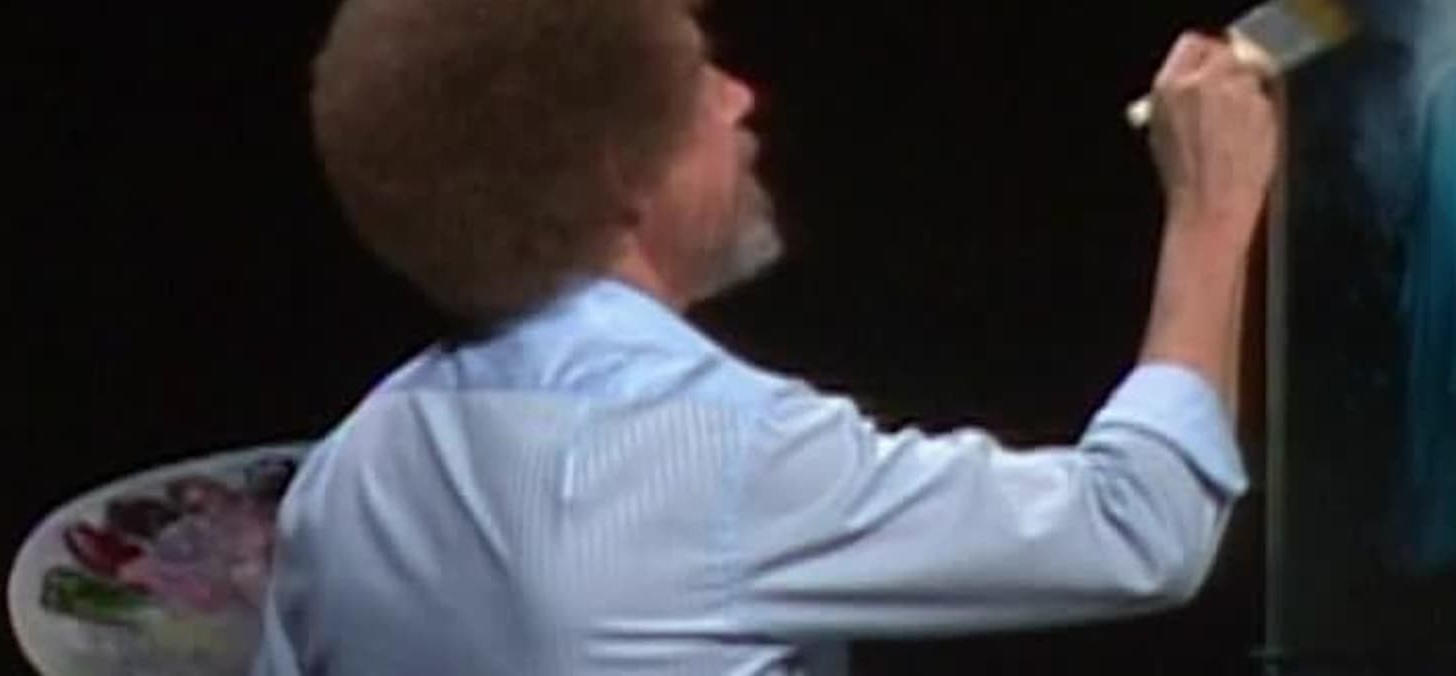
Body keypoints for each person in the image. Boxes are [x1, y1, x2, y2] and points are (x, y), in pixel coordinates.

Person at [253, 0, 1285, 673]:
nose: (741, 99)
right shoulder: (712, 456)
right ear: (622, 174)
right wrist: (1212, 210)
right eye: (702, 82)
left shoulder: (347, 478)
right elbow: (1139, 527)